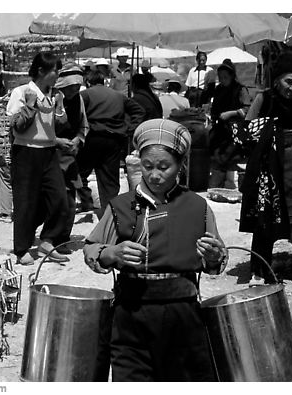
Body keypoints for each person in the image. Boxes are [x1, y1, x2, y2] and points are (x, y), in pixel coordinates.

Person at [83, 118, 228, 381]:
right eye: (147, 166)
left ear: (181, 165)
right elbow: (92, 249)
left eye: (164, 167)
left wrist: (214, 256)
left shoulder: (197, 207)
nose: (154, 175)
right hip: (131, 315)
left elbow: (216, 263)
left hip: (183, 316)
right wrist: (112, 254)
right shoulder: (120, 206)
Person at [240, 51, 292, 292]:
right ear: (277, 80)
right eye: (289, 81)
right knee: (265, 218)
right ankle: (259, 269)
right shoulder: (264, 99)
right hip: (271, 165)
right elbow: (248, 130)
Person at [6, 52, 70, 265]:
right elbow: (17, 125)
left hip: (49, 152)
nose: (57, 75)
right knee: (25, 202)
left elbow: (61, 124)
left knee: (60, 198)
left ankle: (47, 240)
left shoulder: (53, 94)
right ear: (42, 71)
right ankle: (22, 249)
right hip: (26, 153)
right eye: (55, 70)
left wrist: (59, 106)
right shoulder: (22, 92)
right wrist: (31, 106)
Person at [77, 70, 146, 217]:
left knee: (79, 173)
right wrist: (129, 129)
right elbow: (139, 111)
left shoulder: (86, 95)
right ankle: (112, 213)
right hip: (114, 140)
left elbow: (76, 115)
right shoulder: (118, 95)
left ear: (87, 82)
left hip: (92, 138)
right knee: (109, 179)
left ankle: (86, 200)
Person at [53, 62, 90, 253]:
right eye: (71, 87)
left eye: (77, 87)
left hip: (70, 156)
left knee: (69, 200)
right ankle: (51, 238)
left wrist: (78, 139)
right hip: (51, 155)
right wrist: (57, 140)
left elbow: (84, 126)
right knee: (55, 199)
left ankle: (63, 238)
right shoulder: (51, 99)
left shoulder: (79, 100)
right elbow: (41, 129)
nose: (74, 90)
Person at [209, 58, 252, 189]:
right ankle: (218, 186)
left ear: (232, 76)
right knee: (217, 158)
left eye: (225, 77)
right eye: (220, 77)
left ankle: (237, 187)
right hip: (220, 130)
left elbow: (247, 110)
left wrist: (231, 113)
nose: (222, 80)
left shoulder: (240, 89)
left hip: (235, 130)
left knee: (235, 159)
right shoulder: (218, 90)